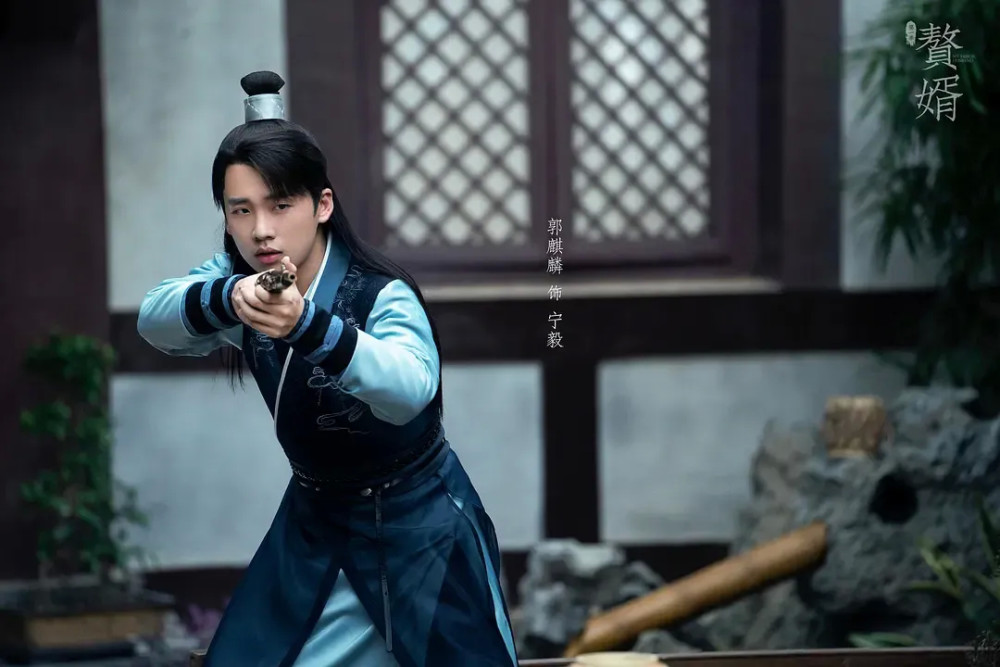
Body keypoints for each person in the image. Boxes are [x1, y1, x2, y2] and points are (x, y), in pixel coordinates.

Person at [137, 71, 518, 667]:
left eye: (280, 205)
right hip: (312, 522)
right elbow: (154, 320)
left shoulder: (381, 292)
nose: (261, 229)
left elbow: (410, 389)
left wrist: (308, 326)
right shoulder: (240, 285)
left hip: (417, 527)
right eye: (241, 210)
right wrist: (229, 298)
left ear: (322, 205)